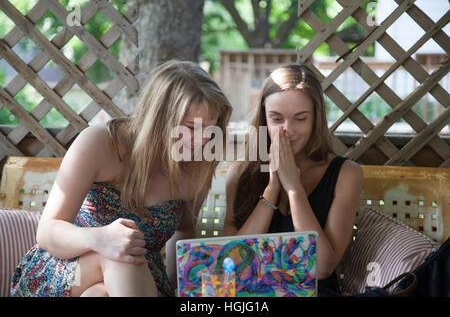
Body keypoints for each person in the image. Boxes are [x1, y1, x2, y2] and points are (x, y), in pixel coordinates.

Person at [10, 60, 232, 297]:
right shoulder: (101, 142)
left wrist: (176, 284)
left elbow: (185, 229)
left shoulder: (197, 164)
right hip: (66, 271)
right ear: (159, 118)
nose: (203, 140)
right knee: (122, 256)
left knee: (97, 294)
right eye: (191, 127)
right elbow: (47, 232)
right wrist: (100, 238)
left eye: (210, 129)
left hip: (138, 281)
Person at [222, 63, 363, 296]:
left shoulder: (346, 174)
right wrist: (273, 188)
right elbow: (232, 264)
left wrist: (294, 188)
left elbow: (322, 267)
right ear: (264, 119)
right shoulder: (240, 174)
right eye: (276, 119)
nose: (288, 130)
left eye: (300, 119)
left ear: (316, 118)